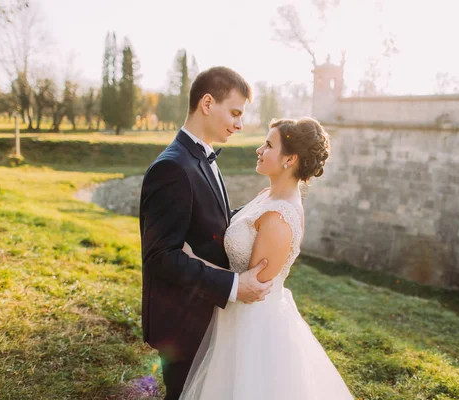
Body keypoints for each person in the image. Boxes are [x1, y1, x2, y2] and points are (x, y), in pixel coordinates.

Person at [180, 117, 354, 399]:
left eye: (268, 145)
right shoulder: (267, 196)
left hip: (253, 326)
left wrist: (191, 258)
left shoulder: (278, 217)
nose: (259, 150)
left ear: (290, 158)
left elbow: (252, 288)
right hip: (232, 316)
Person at [139, 66, 273, 400]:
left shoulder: (200, 156)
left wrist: (256, 212)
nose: (240, 124)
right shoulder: (172, 167)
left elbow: (208, 223)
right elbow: (161, 257)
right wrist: (233, 285)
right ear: (208, 103)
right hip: (183, 324)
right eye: (236, 112)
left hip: (204, 314)